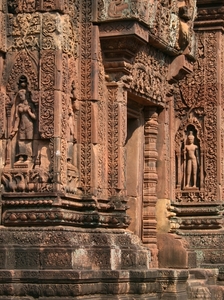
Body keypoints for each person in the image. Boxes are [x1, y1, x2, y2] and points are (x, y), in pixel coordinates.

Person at [10, 89, 36, 162]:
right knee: (20, 140)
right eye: (19, 96)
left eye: (21, 96)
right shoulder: (19, 106)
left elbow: (35, 117)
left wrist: (29, 112)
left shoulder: (30, 105)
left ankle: (29, 157)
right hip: (22, 124)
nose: (20, 97)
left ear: (25, 95)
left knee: (28, 140)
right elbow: (17, 118)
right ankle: (21, 157)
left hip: (29, 124)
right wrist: (15, 129)